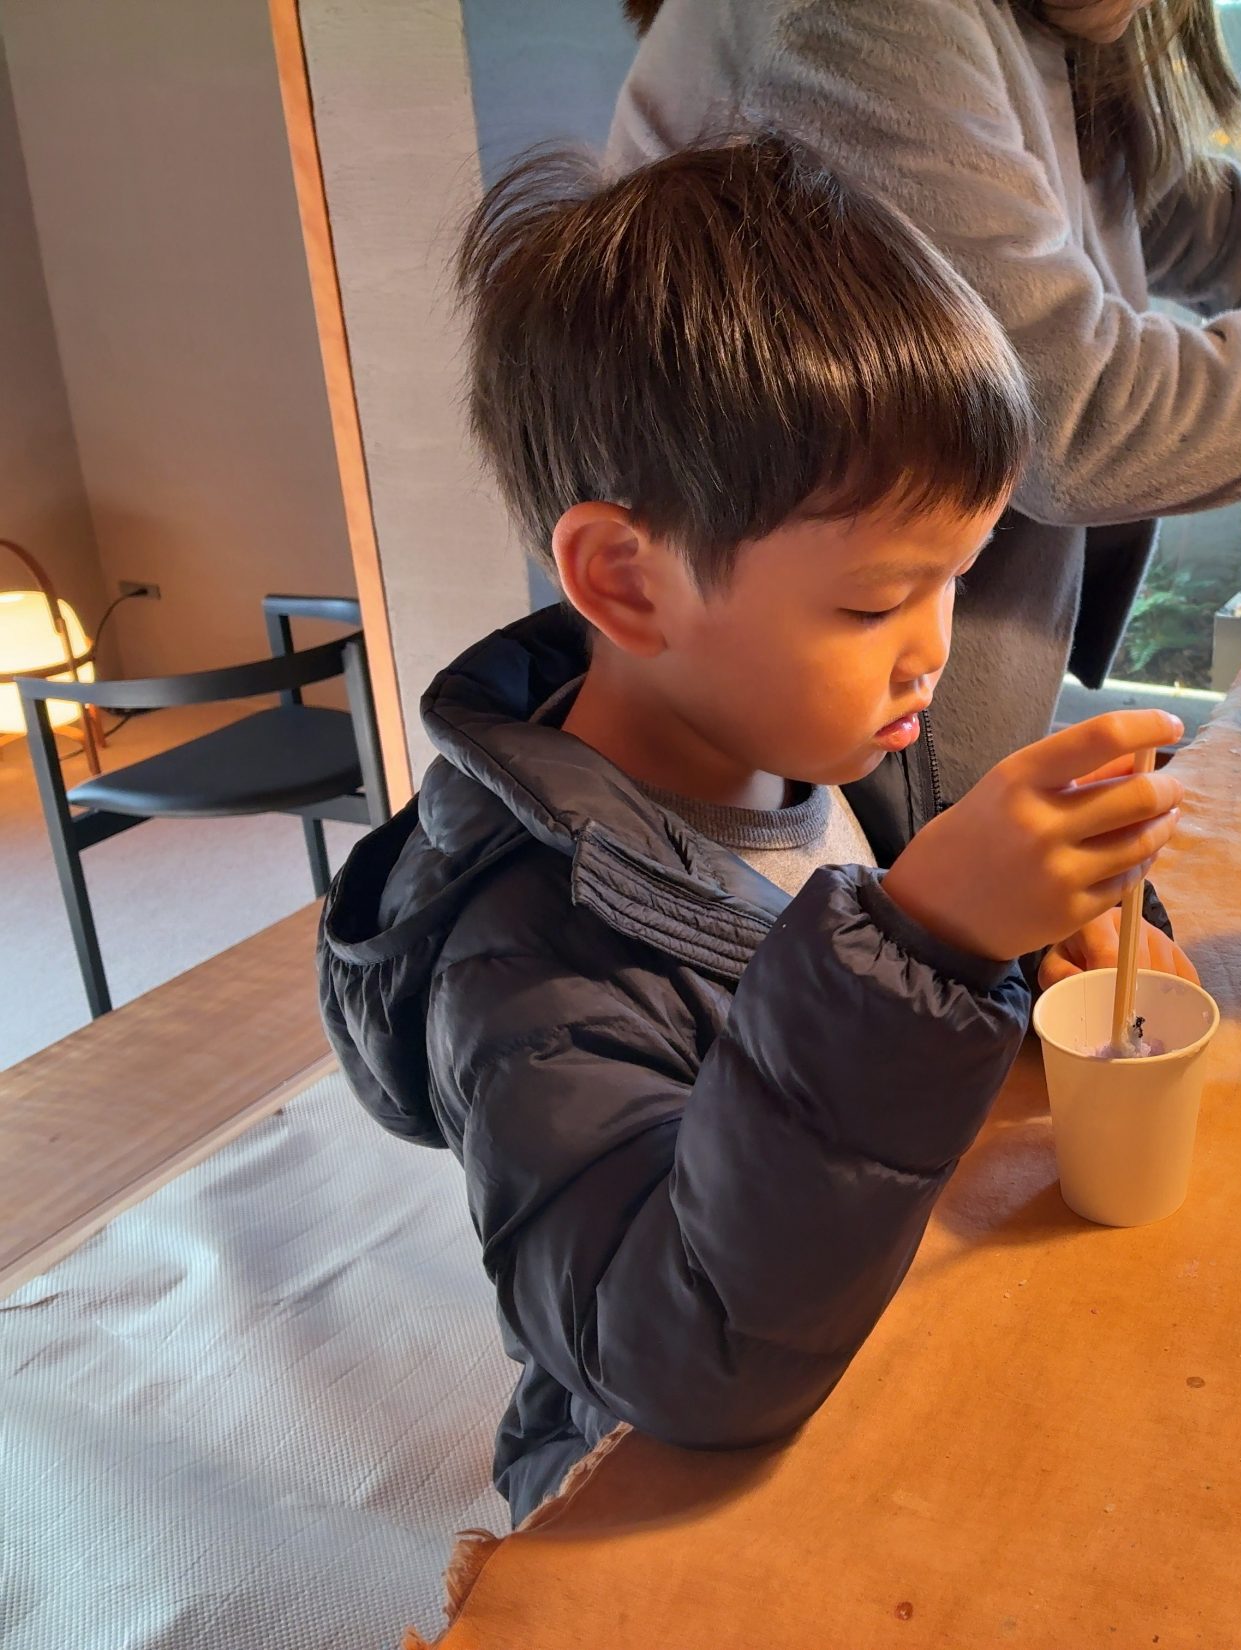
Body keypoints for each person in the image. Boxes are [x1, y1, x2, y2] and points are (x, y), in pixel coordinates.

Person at [318, 137, 1193, 1521]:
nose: (930, 650)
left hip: (881, 1340)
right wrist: (923, 950)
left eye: (956, 580)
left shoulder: (823, 745)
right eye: (874, 602)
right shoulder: (527, 963)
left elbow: (905, 981)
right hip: (649, 1499)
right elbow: (687, 1355)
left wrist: (1042, 934)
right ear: (627, 581)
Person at [607, 0, 1241, 814]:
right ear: (610, 576)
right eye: (879, 602)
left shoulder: (1032, 25)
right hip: (829, 762)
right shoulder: (856, 20)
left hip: (880, 749)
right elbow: (1070, 420)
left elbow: (1162, 201)